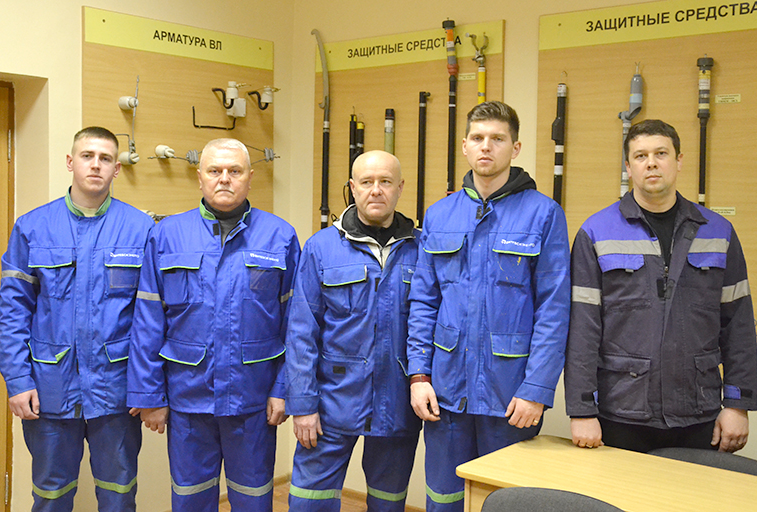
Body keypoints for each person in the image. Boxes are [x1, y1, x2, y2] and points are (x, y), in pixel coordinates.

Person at [407, 101, 570, 512]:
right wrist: (418, 375)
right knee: (443, 499)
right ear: (464, 146)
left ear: (515, 148)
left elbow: (553, 309)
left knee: (505, 501)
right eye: (478, 138)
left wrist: (536, 390)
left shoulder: (543, 214)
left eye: (497, 139)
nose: (486, 147)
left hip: (511, 396)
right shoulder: (439, 215)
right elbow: (423, 302)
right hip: (446, 393)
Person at [565, 119, 757, 454]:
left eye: (661, 154)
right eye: (640, 156)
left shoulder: (718, 231)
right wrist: (582, 410)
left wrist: (738, 404)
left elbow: (738, 324)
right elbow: (583, 329)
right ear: (628, 167)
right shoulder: (596, 232)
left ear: (679, 161)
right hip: (621, 411)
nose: (651, 163)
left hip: (698, 410)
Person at [127, 138, 299, 511]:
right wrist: (149, 396)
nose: (224, 179)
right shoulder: (166, 234)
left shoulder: (280, 235)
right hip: (188, 399)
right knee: (190, 500)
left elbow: (294, 324)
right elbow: (147, 319)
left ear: (250, 177)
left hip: (253, 399)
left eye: (234, 171)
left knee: (253, 501)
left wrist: (284, 388)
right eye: (215, 171)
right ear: (199, 177)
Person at [0, 126, 154, 511]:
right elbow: (13, 312)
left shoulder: (142, 230)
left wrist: (148, 389)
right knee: (51, 495)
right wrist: (18, 380)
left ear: (117, 169)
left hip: (117, 391)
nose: (95, 165)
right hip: (49, 389)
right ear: (71, 162)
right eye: (87, 156)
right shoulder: (33, 227)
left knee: (119, 495)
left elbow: (151, 320)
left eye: (105, 158)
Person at [286, 150, 421, 512]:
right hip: (330, 405)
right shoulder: (321, 247)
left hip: (397, 405)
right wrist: (303, 405)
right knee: (308, 503)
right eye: (366, 182)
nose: (376, 190)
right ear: (352, 187)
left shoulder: (420, 249)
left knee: (388, 504)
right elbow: (301, 332)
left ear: (400, 188)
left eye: (385, 182)